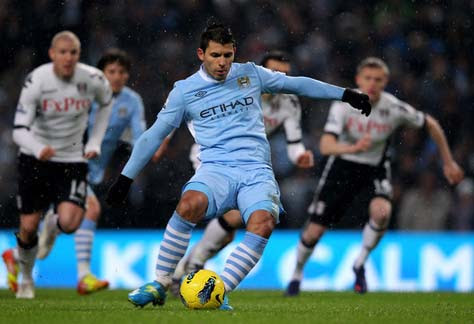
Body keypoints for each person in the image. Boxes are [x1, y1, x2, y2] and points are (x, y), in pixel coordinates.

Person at [106, 19, 371, 310]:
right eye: (215, 55)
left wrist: (346, 94)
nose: (222, 63)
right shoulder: (184, 91)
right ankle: (160, 282)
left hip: (256, 170)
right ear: (200, 54)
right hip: (215, 168)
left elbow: (297, 85)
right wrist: (125, 178)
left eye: (228, 55)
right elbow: (153, 136)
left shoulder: (251, 75)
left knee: (263, 222)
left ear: (235, 52)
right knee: (188, 204)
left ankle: (218, 292)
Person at [285, 57, 464, 296]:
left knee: (382, 213)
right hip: (342, 167)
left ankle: (359, 263)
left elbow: (430, 123)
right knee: (314, 232)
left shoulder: (393, 108)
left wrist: (449, 162)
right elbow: (326, 146)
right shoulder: (344, 104)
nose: (372, 83)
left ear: (385, 82)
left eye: (378, 80)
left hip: (374, 169)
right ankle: (297, 273)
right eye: (368, 78)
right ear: (358, 80)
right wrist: (353, 148)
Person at [169, 50, 314, 294]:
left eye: (285, 74)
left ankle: (186, 266)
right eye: (275, 72)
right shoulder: (240, 88)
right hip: (212, 156)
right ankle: (190, 264)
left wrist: (300, 155)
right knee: (235, 215)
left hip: (248, 162)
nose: (280, 78)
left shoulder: (288, 102)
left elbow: (294, 143)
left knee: (229, 230)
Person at [1, 31, 113, 299]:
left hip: (72, 160)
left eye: (73, 52)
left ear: (78, 54)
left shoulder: (93, 79)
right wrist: (39, 148)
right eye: (62, 52)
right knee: (28, 228)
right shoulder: (37, 80)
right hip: (35, 159)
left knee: (71, 223)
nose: (68, 58)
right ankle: (26, 277)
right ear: (52, 54)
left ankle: (52, 224)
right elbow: (18, 130)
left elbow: (106, 104)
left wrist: (95, 142)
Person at [35, 48, 150, 295]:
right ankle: (84, 276)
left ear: (127, 75)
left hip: (91, 171)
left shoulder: (131, 101)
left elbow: (139, 136)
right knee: (92, 209)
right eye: (111, 71)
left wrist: (148, 147)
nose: (116, 76)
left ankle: (40, 233)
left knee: (71, 220)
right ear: (101, 73)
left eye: (121, 72)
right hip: (67, 161)